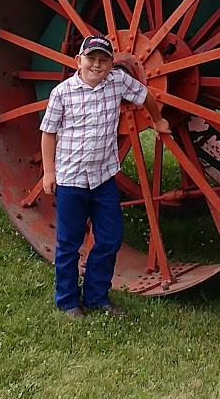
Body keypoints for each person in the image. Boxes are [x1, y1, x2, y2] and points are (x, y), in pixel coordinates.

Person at [39, 33, 171, 318]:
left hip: (103, 179)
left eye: (104, 60)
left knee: (110, 238)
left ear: (112, 64)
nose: (97, 65)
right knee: (69, 243)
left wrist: (158, 120)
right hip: (71, 181)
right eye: (91, 59)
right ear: (79, 61)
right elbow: (48, 133)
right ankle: (67, 300)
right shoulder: (62, 93)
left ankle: (97, 295)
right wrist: (49, 172)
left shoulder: (118, 82)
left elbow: (145, 95)